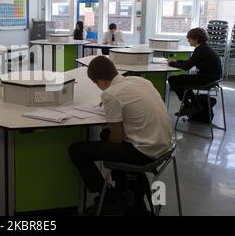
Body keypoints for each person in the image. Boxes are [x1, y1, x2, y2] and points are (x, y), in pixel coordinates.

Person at [69, 56, 172, 215]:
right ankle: (123, 187)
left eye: (96, 84)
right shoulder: (141, 81)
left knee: (77, 150)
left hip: (144, 153)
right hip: (165, 147)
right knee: (105, 134)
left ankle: (109, 198)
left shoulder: (111, 94)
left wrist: (110, 100)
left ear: (101, 81)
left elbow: (116, 139)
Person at [168, 28, 221, 114]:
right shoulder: (203, 48)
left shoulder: (200, 49)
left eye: (189, 38)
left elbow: (187, 67)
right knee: (181, 80)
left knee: (173, 79)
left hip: (207, 79)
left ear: (196, 39)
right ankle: (194, 105)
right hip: (212, 78)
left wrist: (172, 64)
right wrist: (177, 62)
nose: (188, 40)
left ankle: (189, 106)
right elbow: (191, 61)